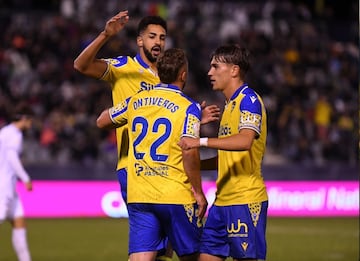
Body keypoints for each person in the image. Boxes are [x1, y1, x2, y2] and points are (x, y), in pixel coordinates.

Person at [97, 48, 208, 261]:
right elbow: (189, 151)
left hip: (140, 194)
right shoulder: (189, 107)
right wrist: (198, 191)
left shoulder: (136, 100)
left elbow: (102, 121)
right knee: (193, 256)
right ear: (183, 75)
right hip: (174, 194)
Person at [178, 44, 269, 261]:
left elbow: (245, 141)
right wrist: (196, 165)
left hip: (245, 201)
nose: (209, 73)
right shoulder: (229, 105)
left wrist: (199, 141)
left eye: (215, 66)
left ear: (234, 70)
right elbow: (229, 156)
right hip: (221, 203)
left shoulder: (249, 100)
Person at [0, 103, 34, 261]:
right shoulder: (15, 135)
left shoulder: (5, 132)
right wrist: (26, 178)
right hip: (3, 186)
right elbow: (12, 158)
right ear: (24, 119)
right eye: (30, 120)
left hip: (10, 187)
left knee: (19, 222)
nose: (31, 124)